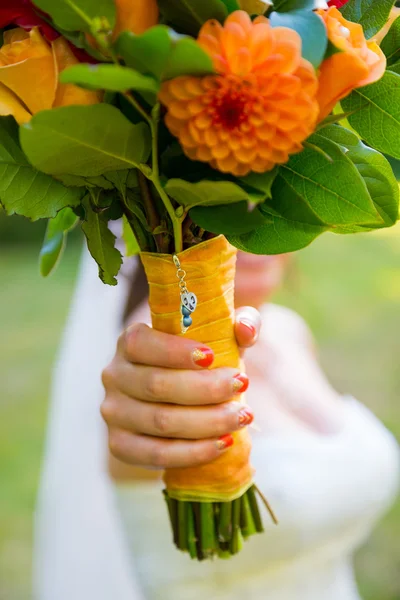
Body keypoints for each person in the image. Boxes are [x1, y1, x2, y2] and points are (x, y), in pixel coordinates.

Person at [34, 244, 399, 600]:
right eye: (227, 203)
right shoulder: (156, 358)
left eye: (271, 195)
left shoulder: (288, 331)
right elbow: (140, 418)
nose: (255, 227)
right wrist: (143, 414)